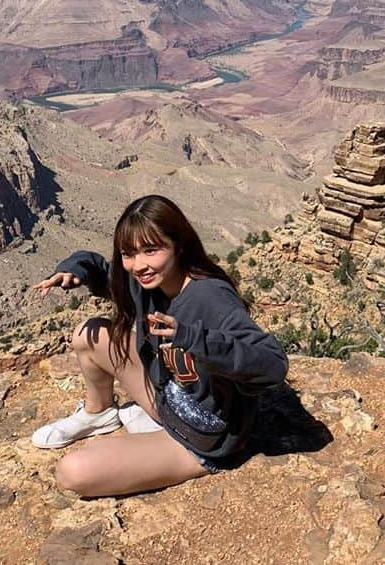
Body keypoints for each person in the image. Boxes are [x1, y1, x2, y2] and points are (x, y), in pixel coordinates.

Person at [30, 194, 288, 497]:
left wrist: (195, 339)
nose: (138, 265)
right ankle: (99, 413)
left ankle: (163, 447)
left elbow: (272, 364)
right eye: (129, 253)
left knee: (72, 473)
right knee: (87, 334)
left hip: (203, 436)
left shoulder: (210, 297)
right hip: (166, 397)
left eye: (151, 251)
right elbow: (103, 268)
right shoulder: (144, 282)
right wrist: (76, 269)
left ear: (178, 245)